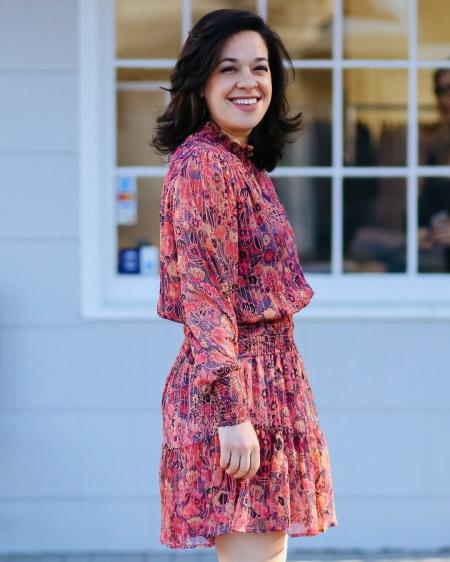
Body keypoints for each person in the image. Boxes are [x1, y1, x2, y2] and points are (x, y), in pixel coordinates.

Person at [151, 9, 338, 560]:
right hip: (234, 396)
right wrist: (233, 415)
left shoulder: (241, 164)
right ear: (201, 81)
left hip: (270, 387)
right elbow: (207, 297)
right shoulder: (203, 166)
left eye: (260, 68)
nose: (248, 82)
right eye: (228, 68)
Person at [418, 66, 450, 272]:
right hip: (437, 251)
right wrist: (422, 231)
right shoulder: (437, 147)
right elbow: (427, 204)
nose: (446, 100)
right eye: (441, 91)